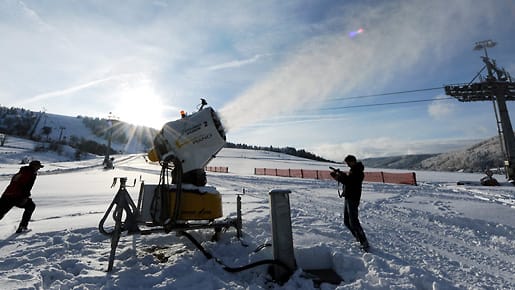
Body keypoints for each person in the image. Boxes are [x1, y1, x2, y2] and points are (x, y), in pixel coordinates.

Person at [330, 155, 369, 251]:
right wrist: (340, 174)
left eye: (348, 162)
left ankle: (363, 241)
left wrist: (338, 177)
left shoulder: (358, 171)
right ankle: (359, 239)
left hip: (353, 198)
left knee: (353, 222)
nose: (347, 164)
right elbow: (348, 179)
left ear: (352, 161)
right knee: (347, 221)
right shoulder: (353, 170)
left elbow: (349, 181)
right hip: (348, 197)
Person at [0, 160, 44, 233]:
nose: (38, 169)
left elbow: (14, 183)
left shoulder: (22, 172)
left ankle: (23, 226)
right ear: (33, 166)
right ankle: (23, 227)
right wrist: (25, 196)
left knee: (0, 212)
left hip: (7, 195)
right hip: (16, 196)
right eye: (38, 167)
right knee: (31, 206)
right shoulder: (28, 173)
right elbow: (23, 185)